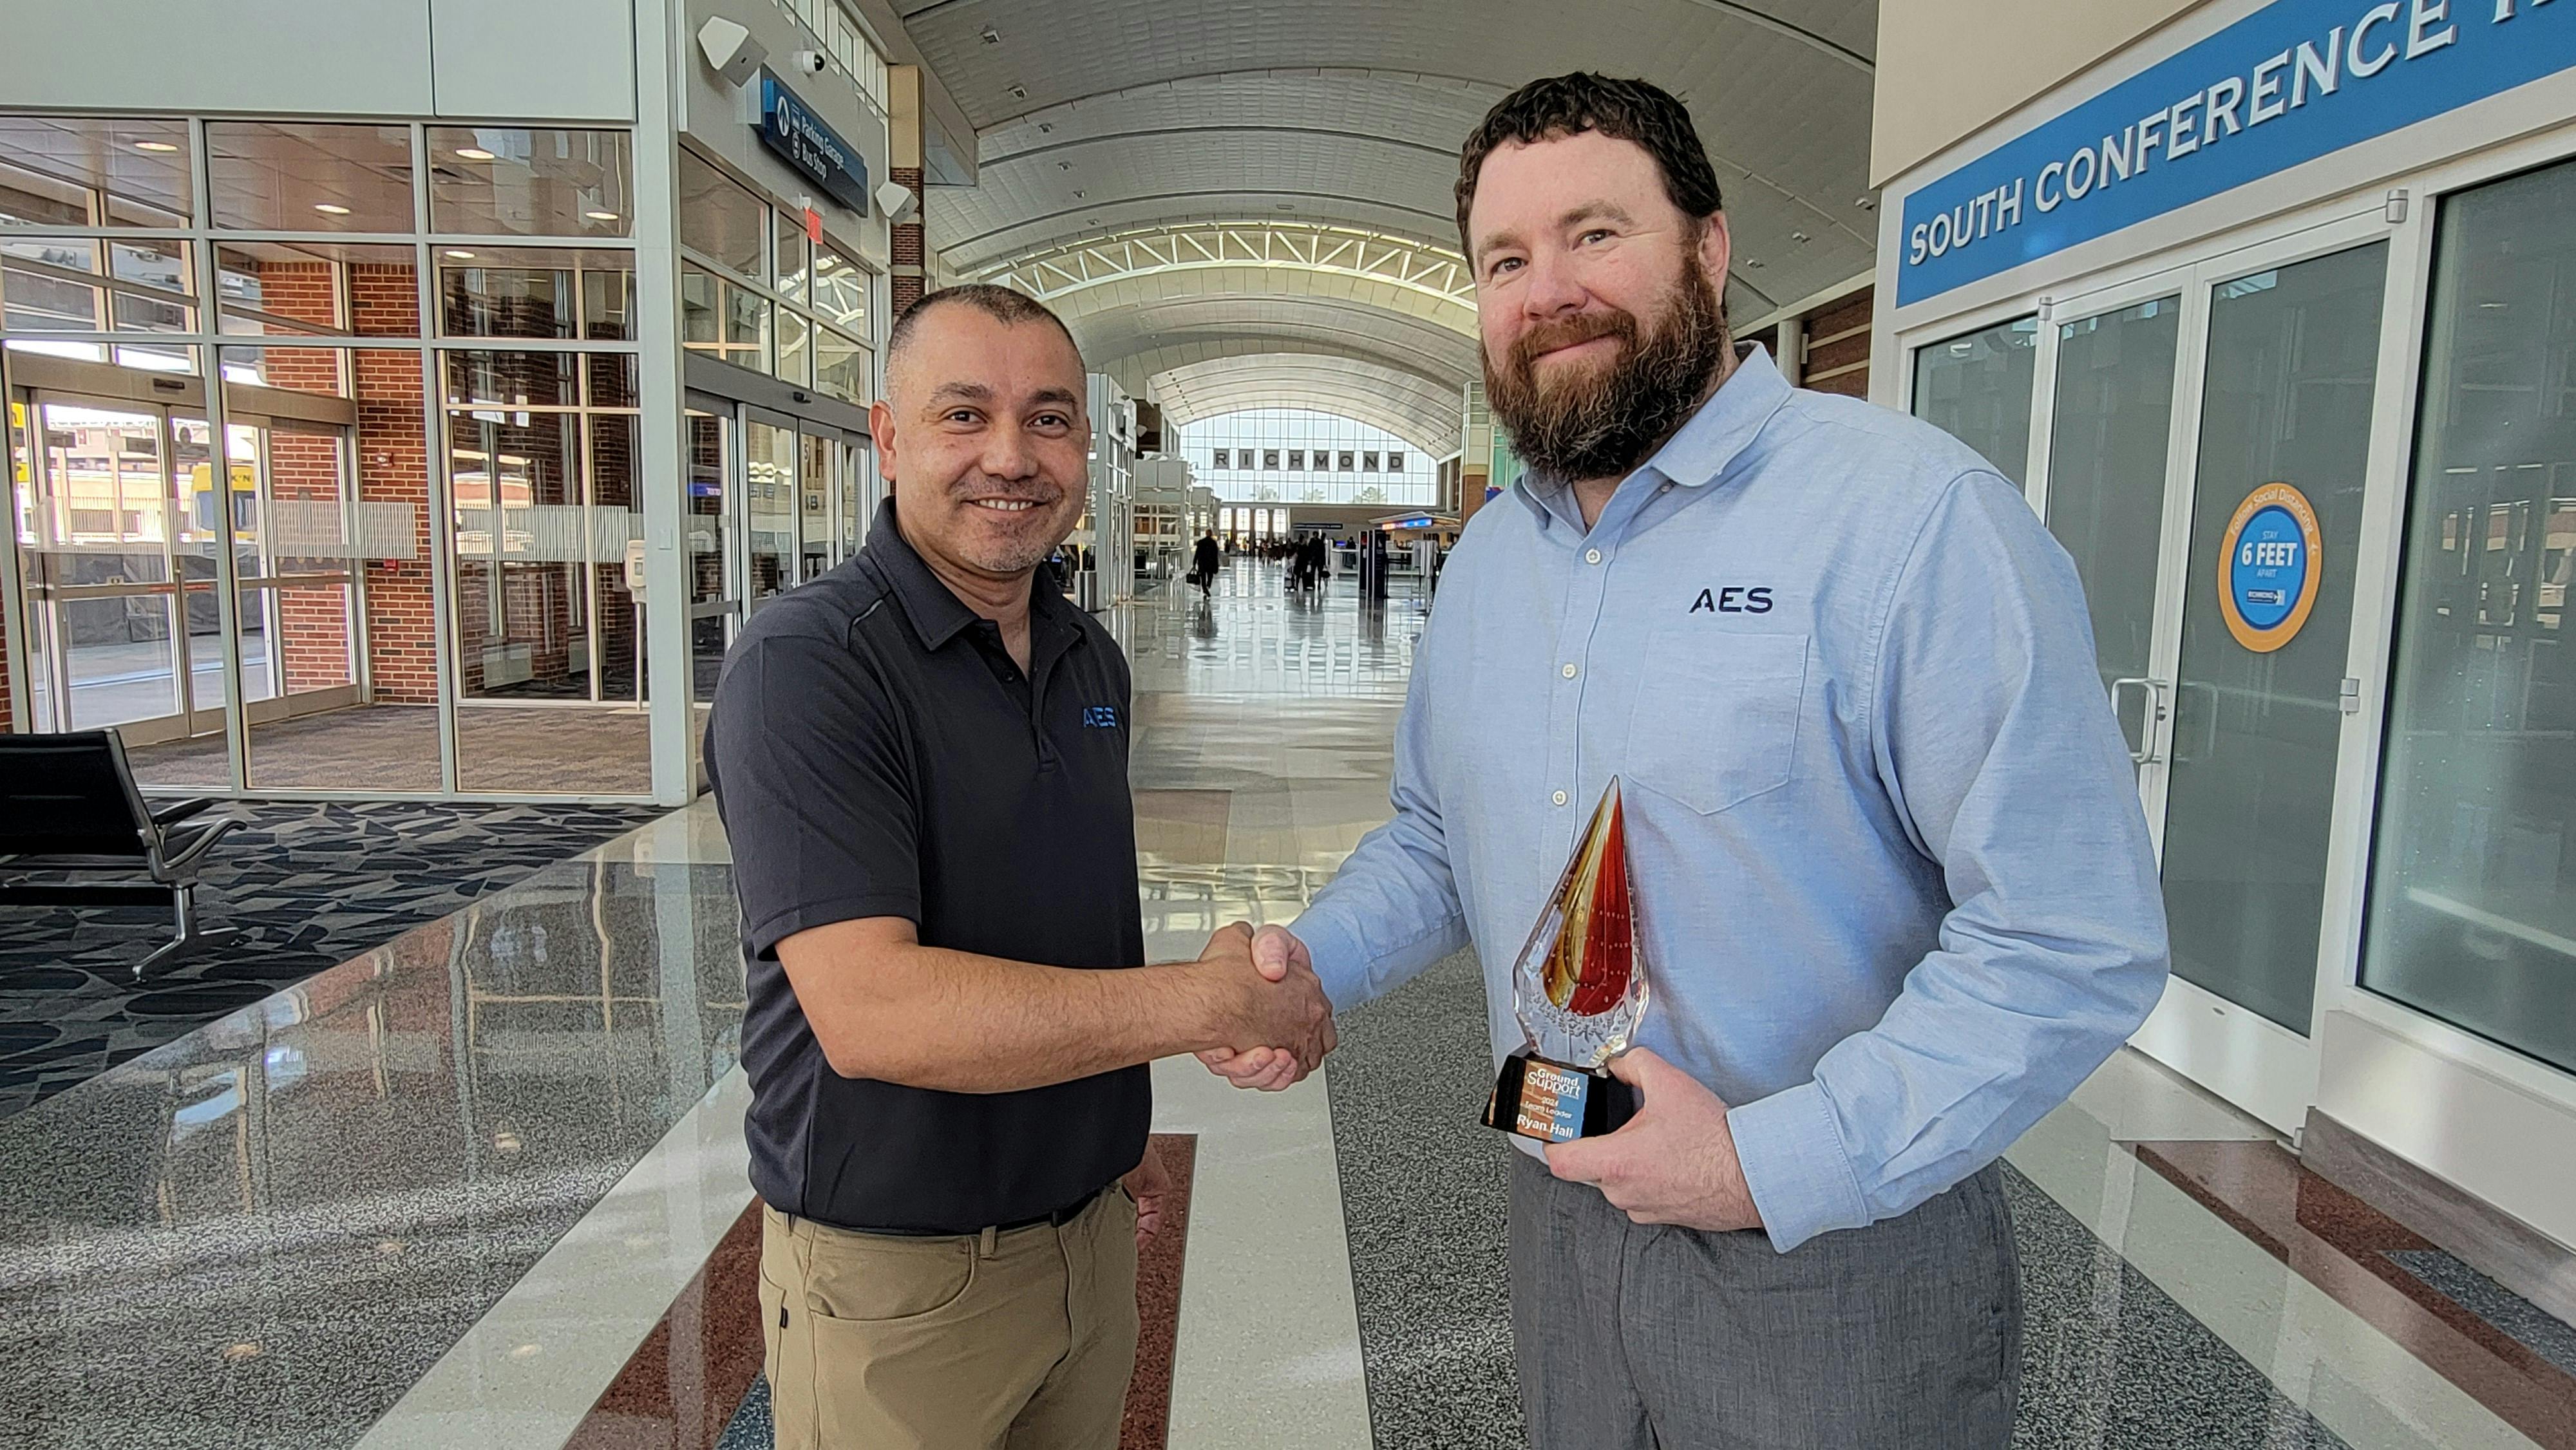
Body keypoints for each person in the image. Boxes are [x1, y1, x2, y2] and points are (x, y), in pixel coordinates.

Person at [1203, 73, 2167, 1447]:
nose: (1548, 290)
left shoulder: (1911, 521)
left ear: (1708, 252)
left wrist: (1759, 1163)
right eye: (1505, 259)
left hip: (1833, 1247)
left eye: (1595, 234)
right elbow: (1435, 836)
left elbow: (2072, 931)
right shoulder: (1491, 562)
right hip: (1560, 1205)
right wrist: (1301, 970)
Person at [706, 283, 1334, 1450]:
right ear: (889, 437)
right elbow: (874, 1011)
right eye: (964, 415)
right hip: (899, 1291)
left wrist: (1094, 1124)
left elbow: (1048, 919)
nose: (1011, 456)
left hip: (1088, 1241)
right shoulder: (810, 667)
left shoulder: (1089, 656)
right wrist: (1205, 999)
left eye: (1047, 419)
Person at [1192, 529, 1220, 601]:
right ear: (1211, 534)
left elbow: (1197, 553)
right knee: (1210, 576)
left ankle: (1204, 588)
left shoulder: (1201, 543)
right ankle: (1208, 586)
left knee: (1203, 577)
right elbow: (1215, 555)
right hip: (1210, 563)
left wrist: (1194, 562)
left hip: (1202, 563)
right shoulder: (1213, 543)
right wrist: (1216, 565)